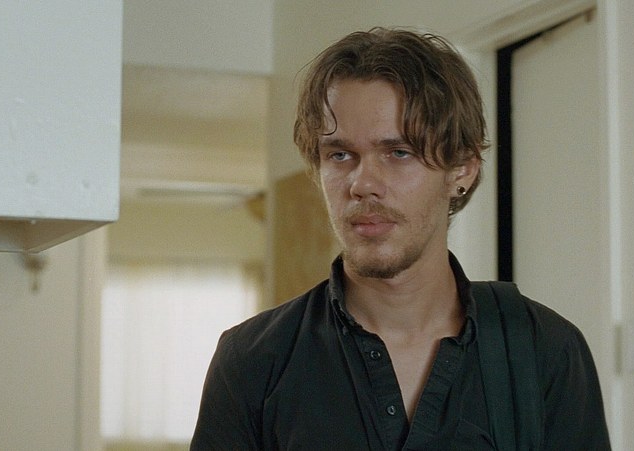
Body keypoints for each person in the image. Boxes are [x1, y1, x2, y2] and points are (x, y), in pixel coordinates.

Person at [190, 27, 610, 450]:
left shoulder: (544, 350)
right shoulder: (253, 360)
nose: (362, 184)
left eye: (399, 152)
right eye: (340, 155)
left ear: (462, 170)